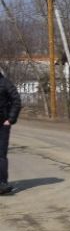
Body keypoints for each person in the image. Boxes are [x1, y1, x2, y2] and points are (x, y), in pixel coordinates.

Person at [0, 66, 20, 196]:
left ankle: (2, 184)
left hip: (2, 125)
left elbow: (16, 101)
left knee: (1, 154)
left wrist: (10, 119)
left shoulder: (5, 83)